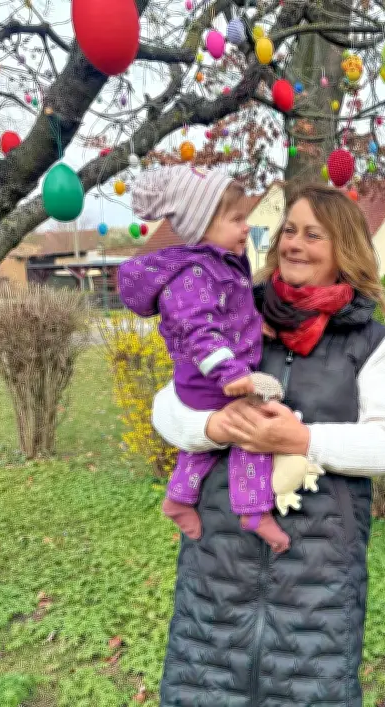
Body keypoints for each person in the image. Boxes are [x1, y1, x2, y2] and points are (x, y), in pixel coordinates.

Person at [150, 183, 385, 706]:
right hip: (218, 568)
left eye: (314, 235)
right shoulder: (233, 310)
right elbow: (166, 407)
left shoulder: (369, 342)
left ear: (343, 250)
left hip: (317, 580)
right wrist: (212, 428)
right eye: (289, 230)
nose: (295, 243)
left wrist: (302, 438)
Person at [118, 166, 294, 552]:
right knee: (253, 428)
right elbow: (198, 329)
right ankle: (253, 510)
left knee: (213, 439)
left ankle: (179, 499)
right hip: (211, 375)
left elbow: (229, 313)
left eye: (245, 218)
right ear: (203, 225)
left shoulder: (218, 264)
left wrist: (255, 326)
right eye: (236, 219)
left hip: (210, 374)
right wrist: (231, 373)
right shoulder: (195, 273)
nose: (246, 227)